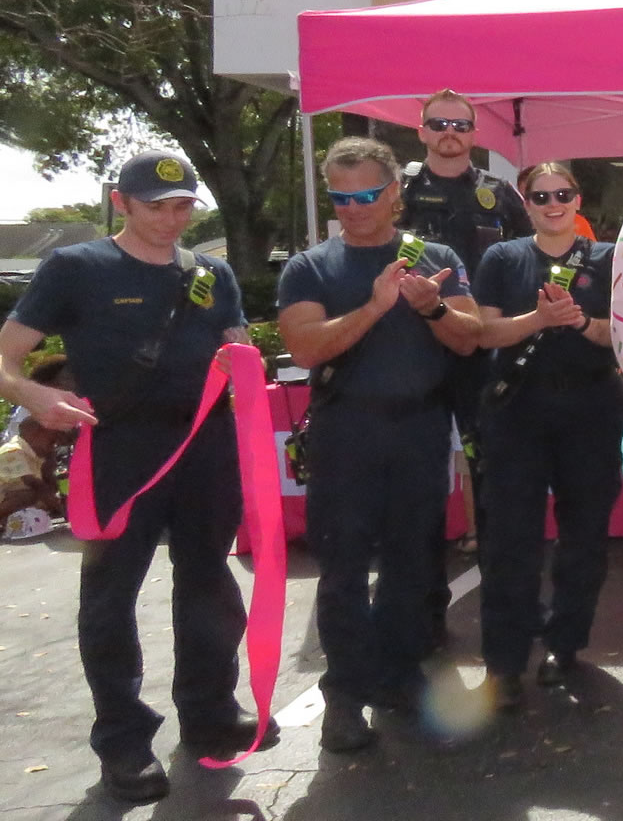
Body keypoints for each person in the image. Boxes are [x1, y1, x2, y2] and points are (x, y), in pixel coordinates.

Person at [0, 150, 270, 803]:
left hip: (203, 445)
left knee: (208, 583)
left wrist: (242, 362)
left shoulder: (211, 271)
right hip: (118, 448)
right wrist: (35, 395)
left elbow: (236, 346)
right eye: (157, 207)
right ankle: (123, 740)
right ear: (120, 202)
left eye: (183, 207)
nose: (173, 220)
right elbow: (5, 358)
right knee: (110, 597)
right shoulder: (76, 267)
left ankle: (210, 712)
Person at [277, 137, 481, 753]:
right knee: (341, 570)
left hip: (419, 429)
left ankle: (399, 676)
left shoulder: (434, 256)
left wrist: (433, 308)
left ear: (394, 192)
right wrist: (374, 307)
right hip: (346, 431)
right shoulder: (311, 267)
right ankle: (345, 696)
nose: (354, 208)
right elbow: (305, 347)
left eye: (367, 195)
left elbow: (470, 338)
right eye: (341, 198)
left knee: (411, 565)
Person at [471, 162, 623, 707]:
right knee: (509, 540)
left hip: (591, 407)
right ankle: (504, 664)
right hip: (518, 409)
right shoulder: (502, 258)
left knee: (584, 536)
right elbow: (483, 332)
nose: (553, 204)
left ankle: (565, 644)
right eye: (541, 196)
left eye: (562, 194)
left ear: (578, 199)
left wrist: (579, 322)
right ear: (526, 203)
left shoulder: (611, 258)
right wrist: (537, 320)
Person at [399, 90, 533, 622]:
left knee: (492, 471)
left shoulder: (499, 194)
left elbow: (527, 262)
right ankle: (421, 604)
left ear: (474, 133)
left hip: (483, 352)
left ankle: (507, 598)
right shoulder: (398, 192)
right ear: (422, 131)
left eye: (460, 124)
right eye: (439, 124)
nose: (450, 133)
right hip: (416, 350)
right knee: (418, 477)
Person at [0, 358, 72, 529]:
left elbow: (48, 483)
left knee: (42, 493)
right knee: (32, 495)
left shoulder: (40, 451)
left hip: (26, 477)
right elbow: (35, 484)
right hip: (9, 492)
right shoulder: (15, 449)